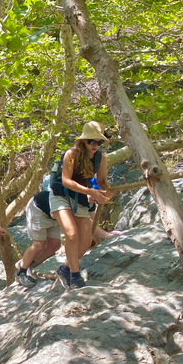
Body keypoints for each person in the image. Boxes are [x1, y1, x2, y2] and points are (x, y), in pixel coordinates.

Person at [50, 121, 112, 290]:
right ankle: (75, 277)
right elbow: (66, 180)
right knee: (71, 233)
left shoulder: (100, 158)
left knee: (85, 241)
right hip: (61, 195)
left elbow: (101, 181)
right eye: (92, 141)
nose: (95, 145)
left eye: (99, 142)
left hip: (80, 198)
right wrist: (90, 192)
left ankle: (65, 269)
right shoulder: (72, 154)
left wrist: (107, 191)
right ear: (84, 140)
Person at [15, 191, 61, 288]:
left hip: (54, 214)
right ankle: (21, 273)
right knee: (39, 245)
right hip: (38, 209)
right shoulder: (73, 196)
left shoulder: (85, 202)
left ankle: (26, 264)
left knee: (55, 245)